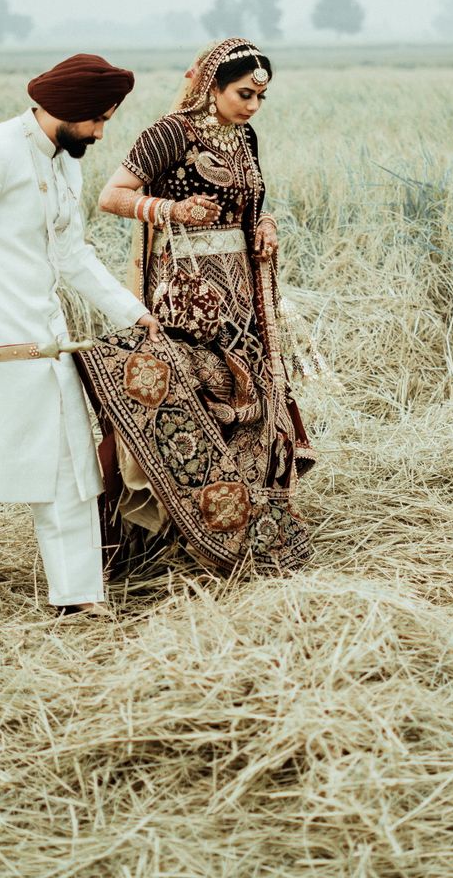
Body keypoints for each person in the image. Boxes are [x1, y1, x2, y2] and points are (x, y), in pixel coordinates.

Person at [0, 53, 159, 621]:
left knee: (70, 474)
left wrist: (132, 313)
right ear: (68, 111)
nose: (101, 132)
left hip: (49, 347)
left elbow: (72, 256)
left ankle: (78, 599)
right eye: (97, 120)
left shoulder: (65, 163)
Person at [77, 37, 314, 573]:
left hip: (241, 292)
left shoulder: (245, 138)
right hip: (184, 292)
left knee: (249, 394)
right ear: (211, 86)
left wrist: (267, 226)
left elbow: (253, 204)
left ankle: (245, 530)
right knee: (189, 389)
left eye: (261, 98)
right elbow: (111, 196)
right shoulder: (169, 133)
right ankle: (143, 541)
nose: (252, 107)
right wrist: (172, 210)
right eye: (242, 94)